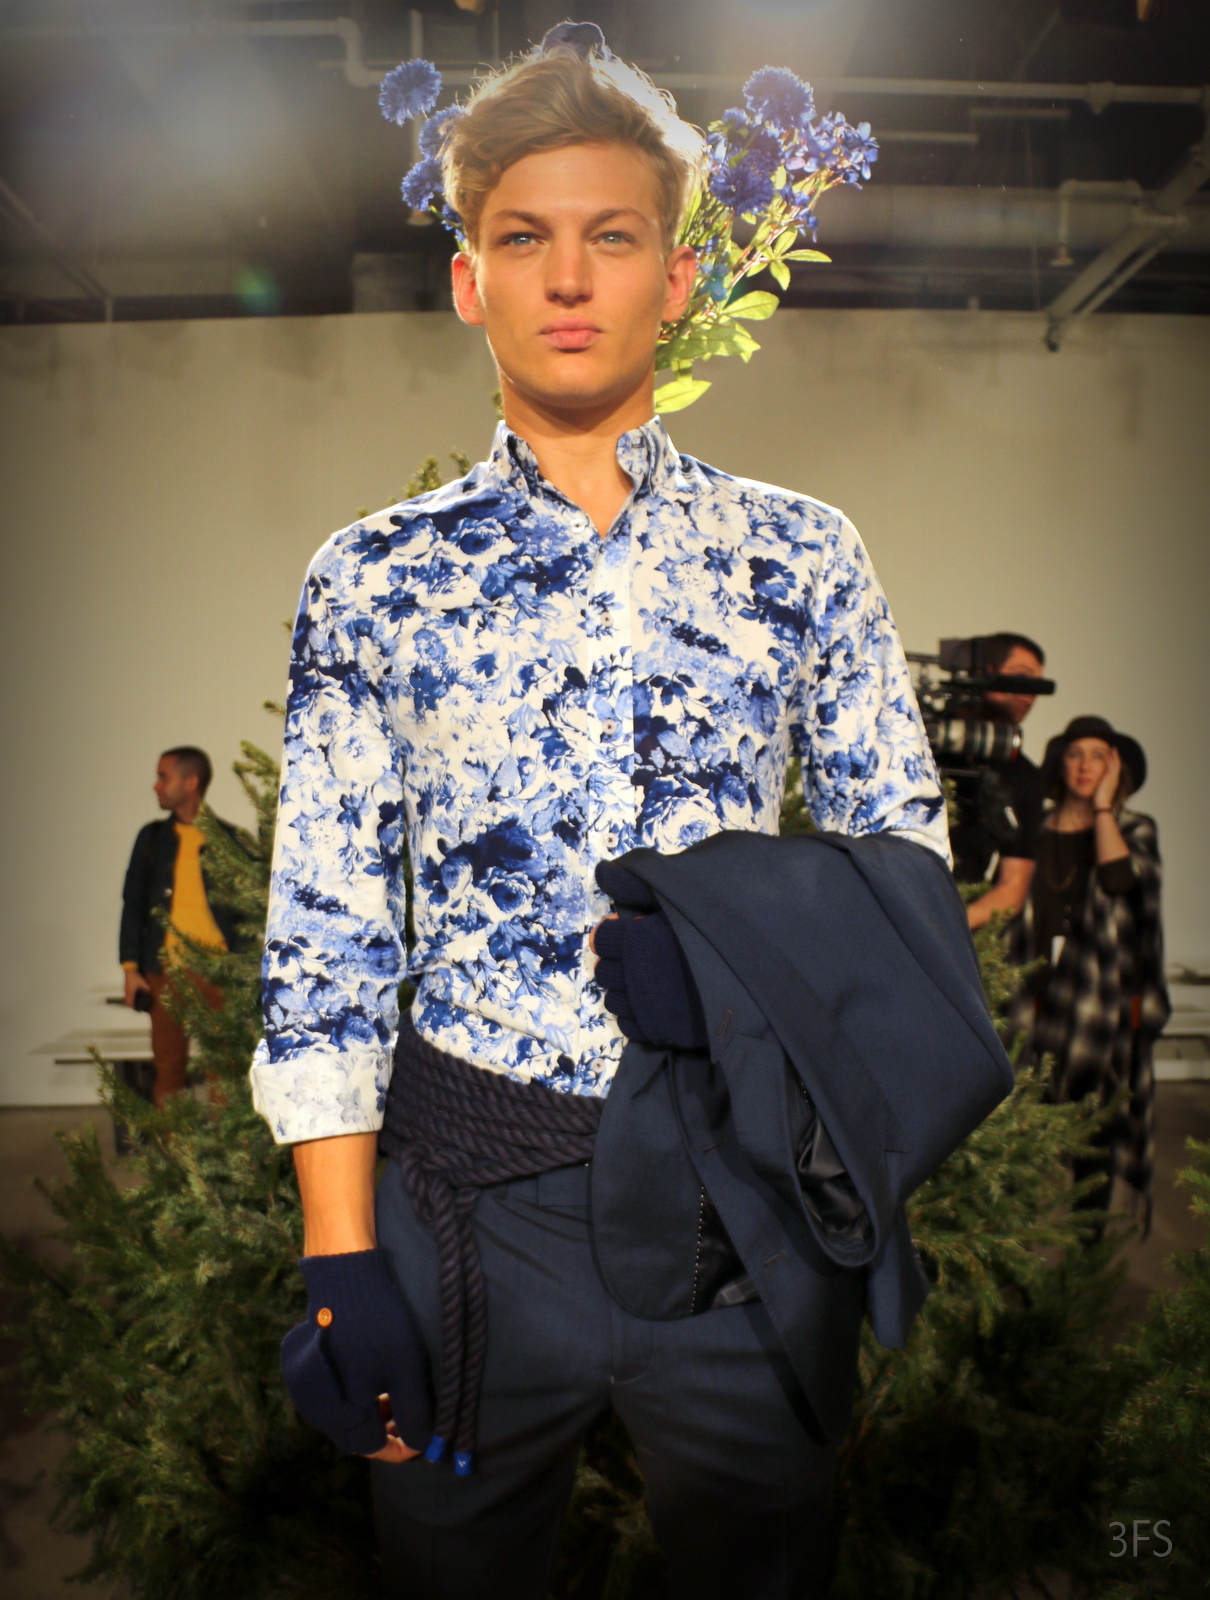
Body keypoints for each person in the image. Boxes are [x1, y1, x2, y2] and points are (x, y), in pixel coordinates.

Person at [253, 32, 961, 1599]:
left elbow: (903, 867)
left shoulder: (800, 556)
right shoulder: (371, 578)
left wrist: (736, 968)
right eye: (524, 238)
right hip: (469, 1218)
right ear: (470, 283)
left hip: (741, 1213)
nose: (568, 277)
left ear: (676, 278)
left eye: (612, 236)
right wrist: (339, 1257)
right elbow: (326, 939)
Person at [1014, 716, 1169, 1225]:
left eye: (1098, 756)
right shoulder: (1036, 827)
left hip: (1098, 1001)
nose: (1085, 766)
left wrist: (1103, 807)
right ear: (1061, 763)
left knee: (1094, 1128)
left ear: (1114, 768)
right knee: (1021, 1122)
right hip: (1033, 994)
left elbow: (1121, 879)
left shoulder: (1132, 829)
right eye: (1075, 754)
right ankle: (1015, 1242)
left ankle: (1086, 1245)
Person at [119, 747, 238, 1107]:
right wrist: (130, 968)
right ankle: (174, 1144)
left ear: (191, 782)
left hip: (217, 973)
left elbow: (246, 913)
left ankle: (223, 1144)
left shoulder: (229, 839)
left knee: (224, 1071)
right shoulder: (152, 839)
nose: (156, 786)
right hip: (165, 973)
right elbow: (133, 905)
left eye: (163, 777)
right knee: (168, 1069)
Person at [953, 632, 1049, 930]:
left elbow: (1013, 886)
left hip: (956, 920)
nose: (1030, 693)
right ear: (984, 671)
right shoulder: (915, 740)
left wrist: (952, 928)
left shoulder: (1025, 776)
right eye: (1022, 677)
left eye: (1037, 684)